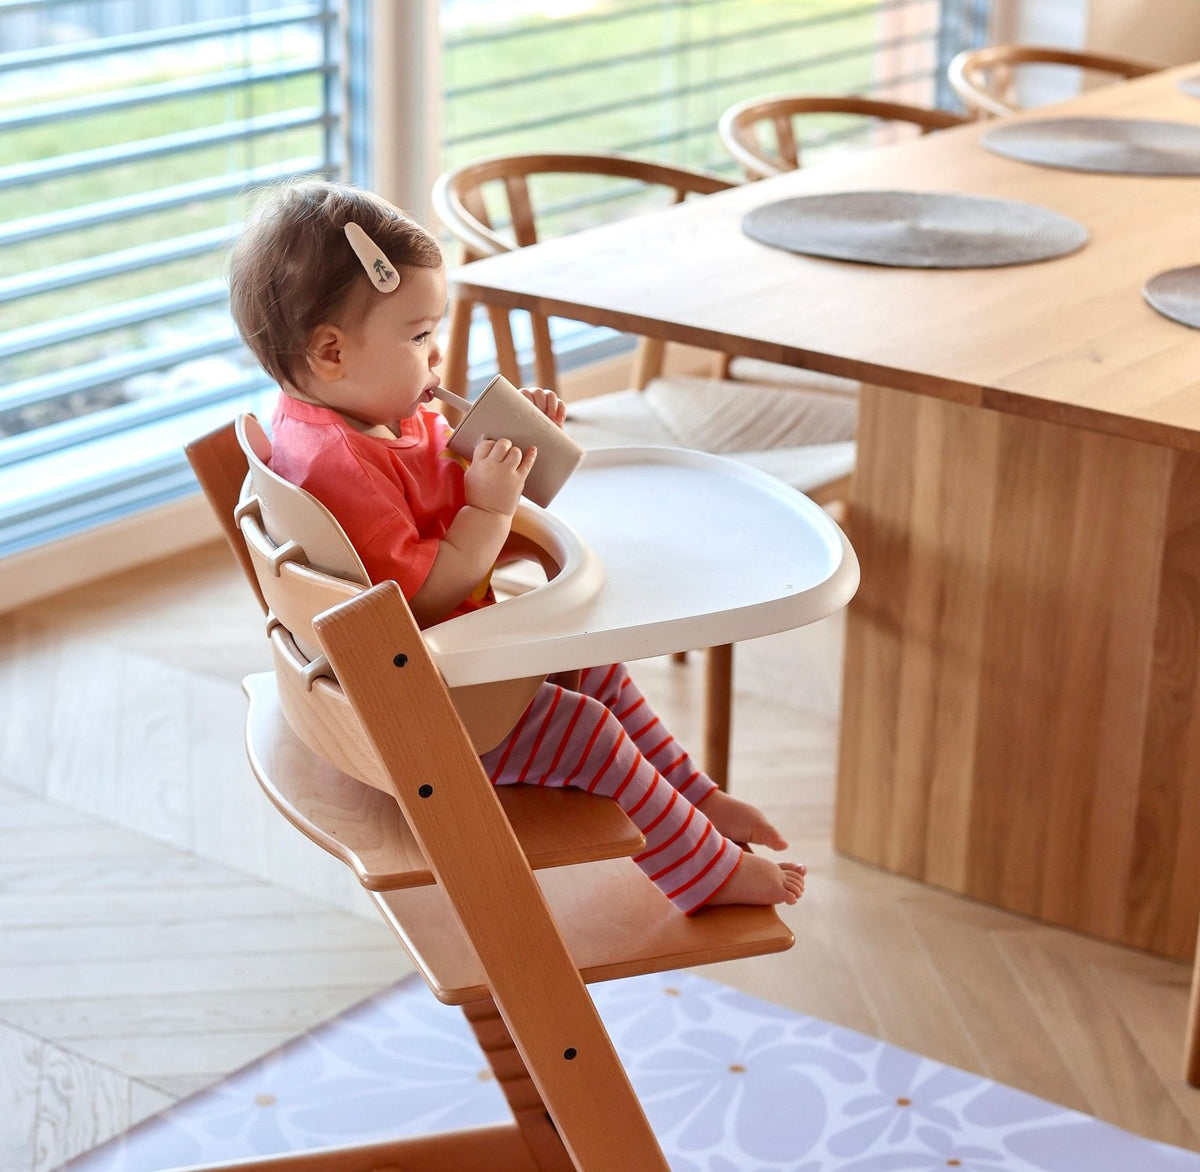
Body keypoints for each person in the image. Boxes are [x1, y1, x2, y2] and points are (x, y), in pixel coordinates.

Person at [229, 179, 805, 914]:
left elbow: (428, 495)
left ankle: (697, 801)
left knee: (592, 663)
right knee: (587, 730)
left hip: (435, 668)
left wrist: (501, 448)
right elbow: (428, 592)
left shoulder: (351, 420)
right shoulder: (340, 467)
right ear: (332, 352)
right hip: (427, 714)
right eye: (418, 337)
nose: (436, 358)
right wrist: (491, 504)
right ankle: (704, 875)